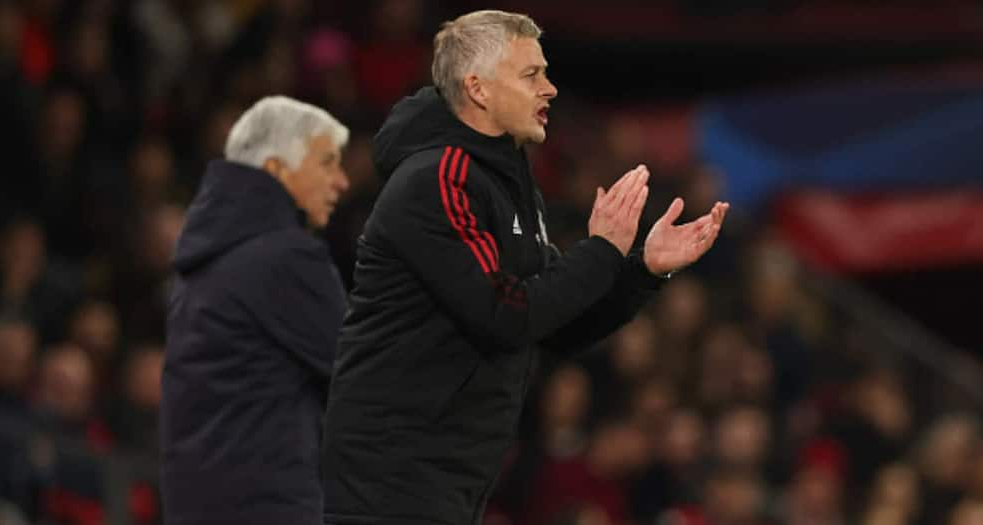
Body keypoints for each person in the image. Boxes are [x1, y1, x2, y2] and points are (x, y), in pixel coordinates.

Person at [321, 10, 728, 525]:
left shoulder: (508, 183)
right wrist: (600, 248)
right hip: (388, 481)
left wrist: (642, 269)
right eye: (531, 74)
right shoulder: (437, 179)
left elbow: (552, 325)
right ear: (479, 89)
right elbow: (504, 314)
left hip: (446, 478)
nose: (552, 89)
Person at [161, 96, 350, 525]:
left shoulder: (200, 264)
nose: (341, 181)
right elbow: (359, 376)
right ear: (277, 170)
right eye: (326, 163)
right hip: (269, 506)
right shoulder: (287, 258)